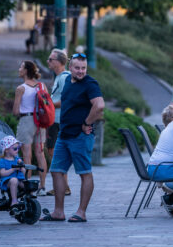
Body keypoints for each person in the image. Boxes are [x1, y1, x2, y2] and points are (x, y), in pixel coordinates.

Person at [44, 53, 105, 223]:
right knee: (56, 171)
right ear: (70, 67)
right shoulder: (68, 83)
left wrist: (87, 123)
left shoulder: (90, 83)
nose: (80, 71)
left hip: (80, 136)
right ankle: (58, 212)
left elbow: (99, 105)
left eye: (83, 68)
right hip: (64, 134)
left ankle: (81, 212)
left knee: (84, 173)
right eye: (77, 68)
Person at [13, 60, 48, 195]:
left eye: (21, 67)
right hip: (40, 121)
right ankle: (43, 186)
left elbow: (16, 111)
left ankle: (28, 185)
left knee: (27, 154)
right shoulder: (42, 86)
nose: (19, 69)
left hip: (27, 120)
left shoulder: (21, 88)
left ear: (26, 70)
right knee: (40, 153)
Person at [45, 49, 71, 197]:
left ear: (58, 62)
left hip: (58, 121)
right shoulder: (59, 77)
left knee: (55, 152)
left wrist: (47, 105)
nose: (48, 61)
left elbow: (66, 100)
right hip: (55, 120)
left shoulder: (63, 78)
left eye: (50, 59)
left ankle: (63, 186)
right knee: (53, 152)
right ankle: (63, 185)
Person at [0, 135, 26, 214]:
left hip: (18, 179)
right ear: (6, 150)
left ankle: (28, 199)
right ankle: (14, 200)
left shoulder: (16, 159)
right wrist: (13, 169)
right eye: (15, 148)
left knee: (27, 184)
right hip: (7, 181)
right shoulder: (2, 161)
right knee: (14, 180)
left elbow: (23, 173)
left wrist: (22, 168)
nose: (17, 150)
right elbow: (2, 173)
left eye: (18, 148)